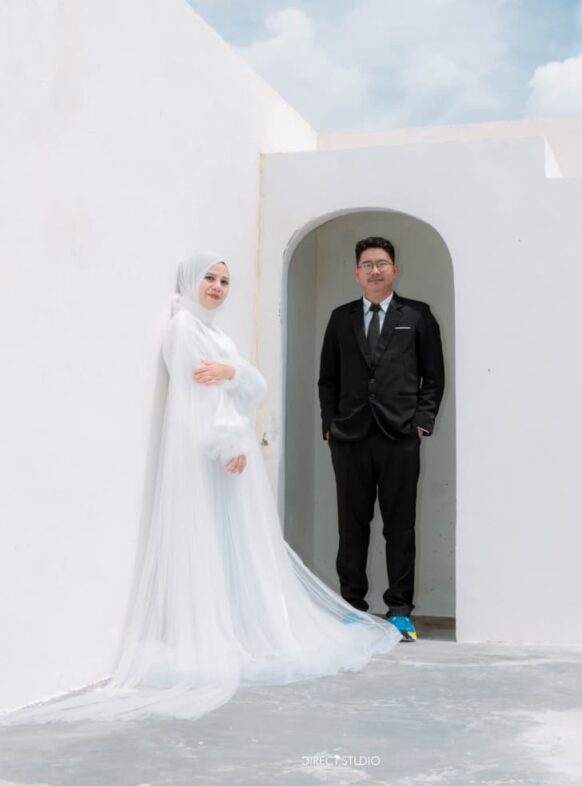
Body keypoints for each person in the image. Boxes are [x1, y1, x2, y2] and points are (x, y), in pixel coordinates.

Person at [2, 253, 400, 724]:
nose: (217, 287)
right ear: (190, 280)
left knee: (237, 539)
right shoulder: (184, 329)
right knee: (206, 535)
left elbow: (254, 386)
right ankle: (211, 629)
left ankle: (237, 623)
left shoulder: (217, 335)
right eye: (209, 278)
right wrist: (225, 440)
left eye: (224, 281)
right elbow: (196, 397)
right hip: (209, 452)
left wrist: (232, 373)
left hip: (231, 452)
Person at [318, 237, 445, 642]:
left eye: (382, 263)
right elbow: (328, 378)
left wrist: (421, 423)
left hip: (400, 436)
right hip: (349, 437)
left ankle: (400, 610)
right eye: (367, 264)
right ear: (356, 273)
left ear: (395, 269)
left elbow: (433, 376)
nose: (375, 270)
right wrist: (329, 425)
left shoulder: (417, 315)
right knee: (352, 526)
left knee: (400, 527)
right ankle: (352, 607)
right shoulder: (341, 318)